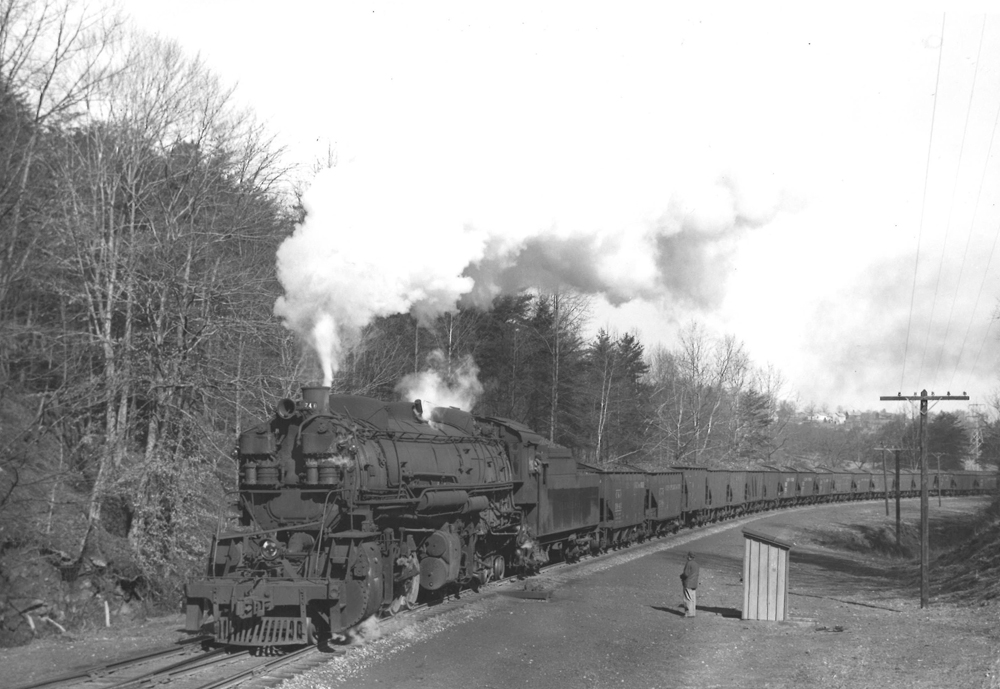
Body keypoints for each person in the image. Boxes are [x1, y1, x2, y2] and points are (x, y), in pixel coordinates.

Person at [680, 552, 699, 618]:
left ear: (689, 557)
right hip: (694, 583)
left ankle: (688, 613)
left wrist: (681, 576)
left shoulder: (689, 563)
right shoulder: (696, 564)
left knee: (687, 599)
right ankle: (692, 613)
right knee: (693, 599)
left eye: (687, 556)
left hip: (688, 583)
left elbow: (686, 574)